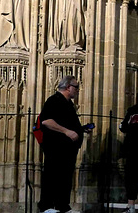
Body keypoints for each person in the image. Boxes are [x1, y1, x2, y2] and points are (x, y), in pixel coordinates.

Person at [38, 75, 89, 213]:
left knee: (65, 178)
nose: (78, 90)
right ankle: (47, 206)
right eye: (76, 87)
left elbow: (66, 122)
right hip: (56, 147)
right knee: (52, 175)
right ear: (68, 87)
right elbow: (46, 121)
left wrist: (80, 129)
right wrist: (67, 132)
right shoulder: (54, 100)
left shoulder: (67, 103)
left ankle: (62, 206)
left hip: (67, 149)